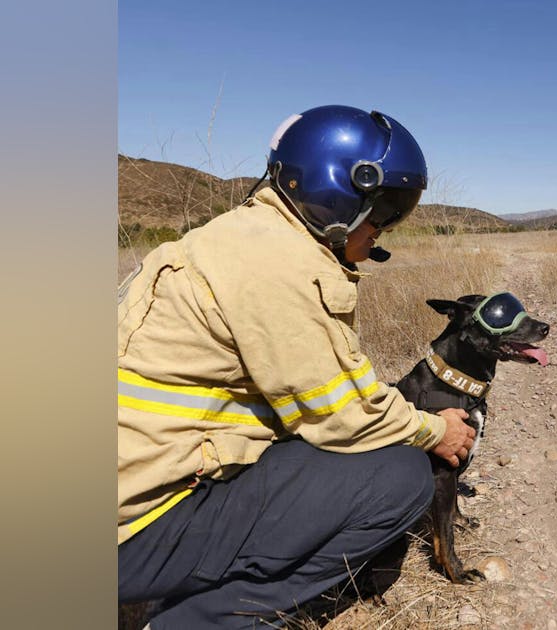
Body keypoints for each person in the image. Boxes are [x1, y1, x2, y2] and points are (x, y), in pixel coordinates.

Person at [117, 105, 476, 628]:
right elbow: (344, 414)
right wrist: (432, 430)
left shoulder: (241, 239)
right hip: (134, 531)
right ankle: (203, 620)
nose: (386, 228)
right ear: (339, 194)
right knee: (399, 477)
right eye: (386, 209)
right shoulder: (278, 267)